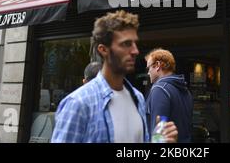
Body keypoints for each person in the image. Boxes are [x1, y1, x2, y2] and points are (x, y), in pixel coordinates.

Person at [51, 10, 178, 143]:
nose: (135, 51)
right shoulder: (78, 104)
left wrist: (160, 142)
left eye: (135, 43)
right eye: (126, 44)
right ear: (103, 49)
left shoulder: (138, 99)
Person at [145, 48, 193, 142]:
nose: (148, 72)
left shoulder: (159, 89)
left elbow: (159, 134)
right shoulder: (185, 90)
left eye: (149, 67)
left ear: (158, 65)